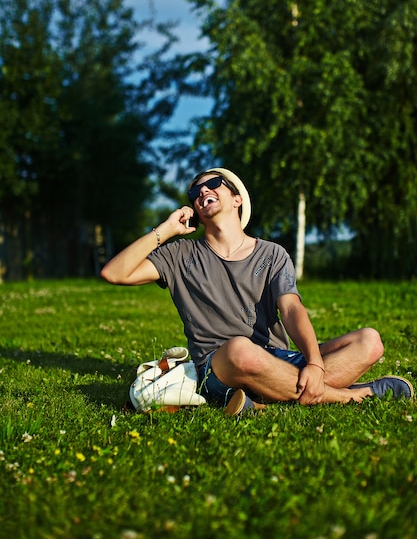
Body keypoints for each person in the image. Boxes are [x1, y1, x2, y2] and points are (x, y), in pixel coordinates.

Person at [101, 167, 414, 415]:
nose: (203, 191)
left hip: (276, 358)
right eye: (196, 191)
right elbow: (113, 273)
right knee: (240, 349)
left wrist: (315, 362)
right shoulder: (180, 255)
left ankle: (269, 395)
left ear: (237, 199)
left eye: (214, 183)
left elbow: (291, 309)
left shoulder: (272, 254)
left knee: (369, 341)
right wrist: (167, 229)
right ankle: (353, 395)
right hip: (220, 366)